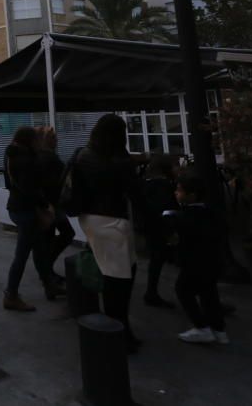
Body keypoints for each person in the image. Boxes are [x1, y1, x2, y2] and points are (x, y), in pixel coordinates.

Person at [73, 113, 142, 352]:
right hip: (113, 221)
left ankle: (118, 329)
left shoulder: (83, 155)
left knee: (114, 274)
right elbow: (136, 193)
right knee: (120, 279)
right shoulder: (120, 161)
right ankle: (118, 334)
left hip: (90, 219)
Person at [3, 126, 64, 312]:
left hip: (18, 208)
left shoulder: (12, 154)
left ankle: (49, 285)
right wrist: (45, 205)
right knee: (22, 256)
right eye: (36, 139)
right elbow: (30, 188)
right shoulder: (25, 159)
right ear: (30, 140)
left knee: (40, 250)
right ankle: (11, 295)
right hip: (26, 211)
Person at [169, 171, 228, 344]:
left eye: (179, 191)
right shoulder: (210, 212)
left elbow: (179, 239)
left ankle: (201, 327)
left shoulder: (184, 216)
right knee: (209, 293)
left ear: (191, 195)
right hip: (212, 261)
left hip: (193, 262)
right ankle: (219, 329)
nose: (176, 193)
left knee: (183, 289)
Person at [36, 127, 75, 279]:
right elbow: (56, 182)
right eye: (53, 137)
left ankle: (46, 270)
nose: (56, 140)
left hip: (48, 204)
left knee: (50, 238)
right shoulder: (49, 158)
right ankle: (46, 271)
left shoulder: (41, 156)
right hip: (51, 205)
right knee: (64, 233)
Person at [141, 154, 178, 308]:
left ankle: (151, 292)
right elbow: (166, 209)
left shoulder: (146, 184)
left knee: (156, 261)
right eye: (176, 165)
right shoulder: (164, 186)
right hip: (162, 230)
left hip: (151, 228)